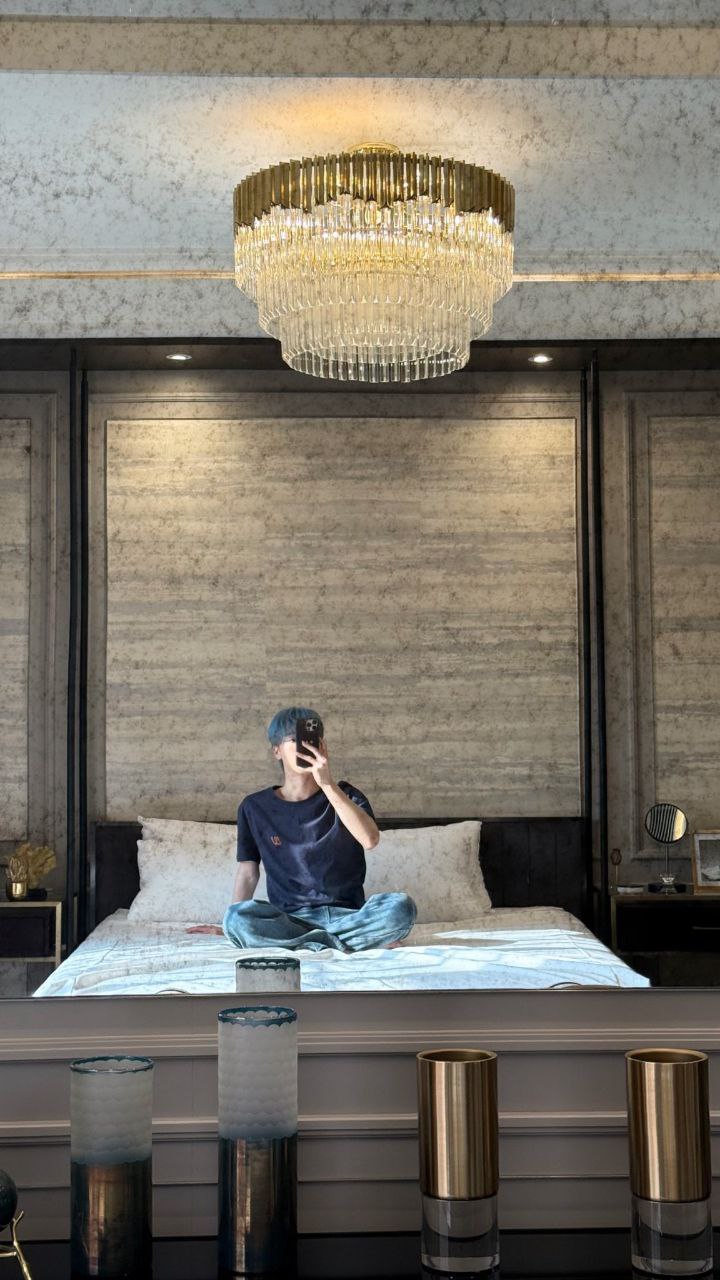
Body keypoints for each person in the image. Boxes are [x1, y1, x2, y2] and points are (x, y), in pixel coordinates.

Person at [188, 707, 416, 952]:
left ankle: (310, 943)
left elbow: (370, 840)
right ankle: (348, 942)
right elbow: (248, 873)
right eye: (294, 739)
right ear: (276, 750)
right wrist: (229, 926)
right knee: (237, 919)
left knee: (402, 908)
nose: (304, 746)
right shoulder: (254, 807)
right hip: (290, 920)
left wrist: (327, 783)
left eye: (310, 739)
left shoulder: (346, 795)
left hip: (348, 916)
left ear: (322, 746)